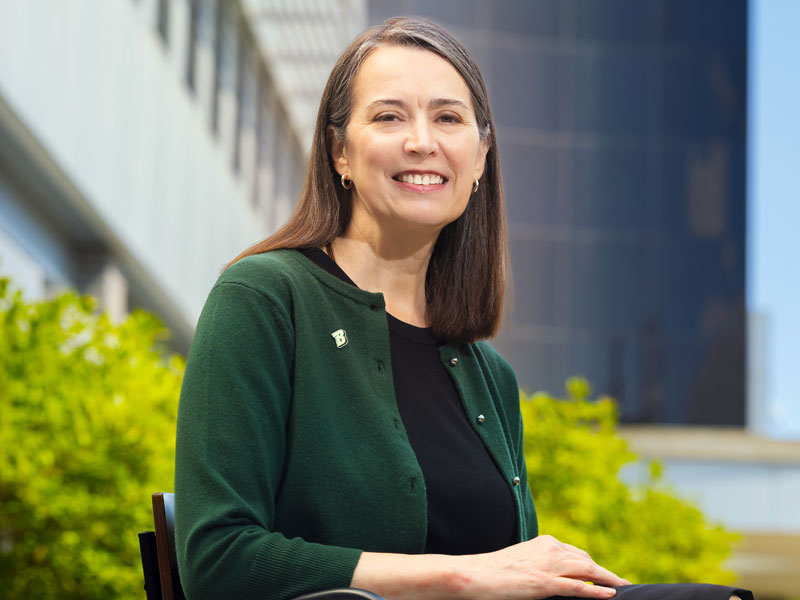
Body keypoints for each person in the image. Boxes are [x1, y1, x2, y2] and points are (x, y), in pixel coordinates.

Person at [174, 17, 754, 600]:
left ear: (479, 158)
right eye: (388, 116)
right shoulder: (264, 299)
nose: (422, 140)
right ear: (338, 153)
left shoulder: (488, 375)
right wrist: (460, 576)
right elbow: (219, 559)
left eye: (448, 118)